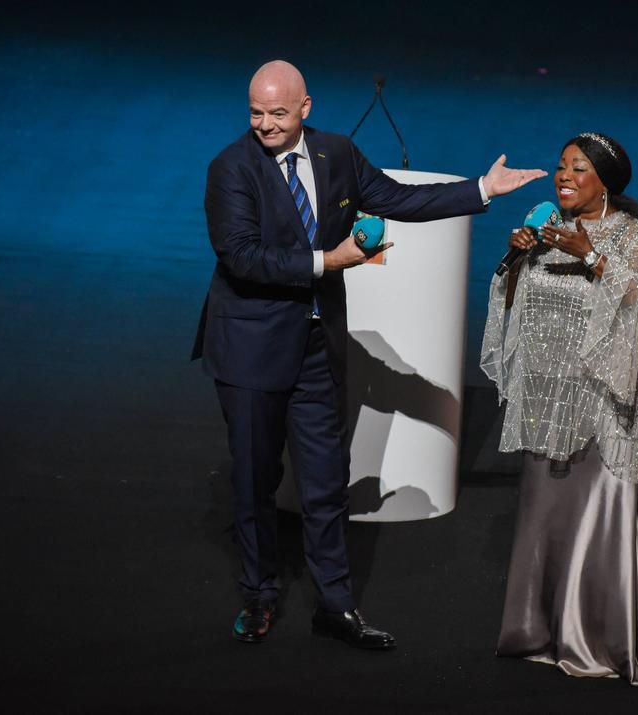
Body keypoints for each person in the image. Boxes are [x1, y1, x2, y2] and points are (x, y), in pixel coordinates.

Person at [192, 60, 545, 648]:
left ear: (306, 107)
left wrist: (481, 190)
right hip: (252, 351)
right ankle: (258, 596)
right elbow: (241, 256)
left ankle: (335, 605)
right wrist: (327, 261)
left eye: (278, 113)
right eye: (255, 113)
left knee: (327, 481)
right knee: (255, 481)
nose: (265, 124)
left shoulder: (335, 153)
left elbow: (395, 198)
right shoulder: (231, 168)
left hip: (315, 347)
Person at [480, 132, 638, 684]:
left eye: (578, 168)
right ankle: (535, 630)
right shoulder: (547, 230)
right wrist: (516, 260)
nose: (564, 176)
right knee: (545, 519)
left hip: (602, 410)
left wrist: (588, 255)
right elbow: (515, 308)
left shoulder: (634, 236)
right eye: (561, 166)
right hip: (548, 405)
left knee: (593, 521)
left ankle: (595, 640)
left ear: (605, 182)